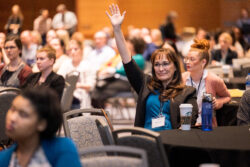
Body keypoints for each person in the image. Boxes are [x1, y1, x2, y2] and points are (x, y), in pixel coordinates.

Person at [106, 4, 198, 131]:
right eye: (157, 64)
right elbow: (127, 60)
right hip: (146, 141)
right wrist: (117, 29)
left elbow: (189, 122)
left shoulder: (187, 92)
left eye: (165, 64)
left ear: (175, 67)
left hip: (170, 143)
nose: (161, 68)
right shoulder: (146, 84)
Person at [0, 87, 82, 167]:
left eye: (23, 114)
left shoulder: (62, 149)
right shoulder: (4, 158)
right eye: (12, 109)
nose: (12, 118)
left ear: (42, 124)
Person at [183, 39, 231, 125]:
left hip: (206, 125)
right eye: (187, 58)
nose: (187, 62)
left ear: (203, 62)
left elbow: (227, 97)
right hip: (185, 124)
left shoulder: (214, 80)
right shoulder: (182, 78)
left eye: (192, 59)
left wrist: (218, 102)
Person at [58, 39, 96, 109]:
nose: (73, 52)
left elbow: (91, 85)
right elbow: (59, 79)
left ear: (81, 50)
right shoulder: (66, 63)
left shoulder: (87, 64)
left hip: (81, 96)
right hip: (66, 94)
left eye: (75, 49)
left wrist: (77, 85)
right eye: (70, 50)